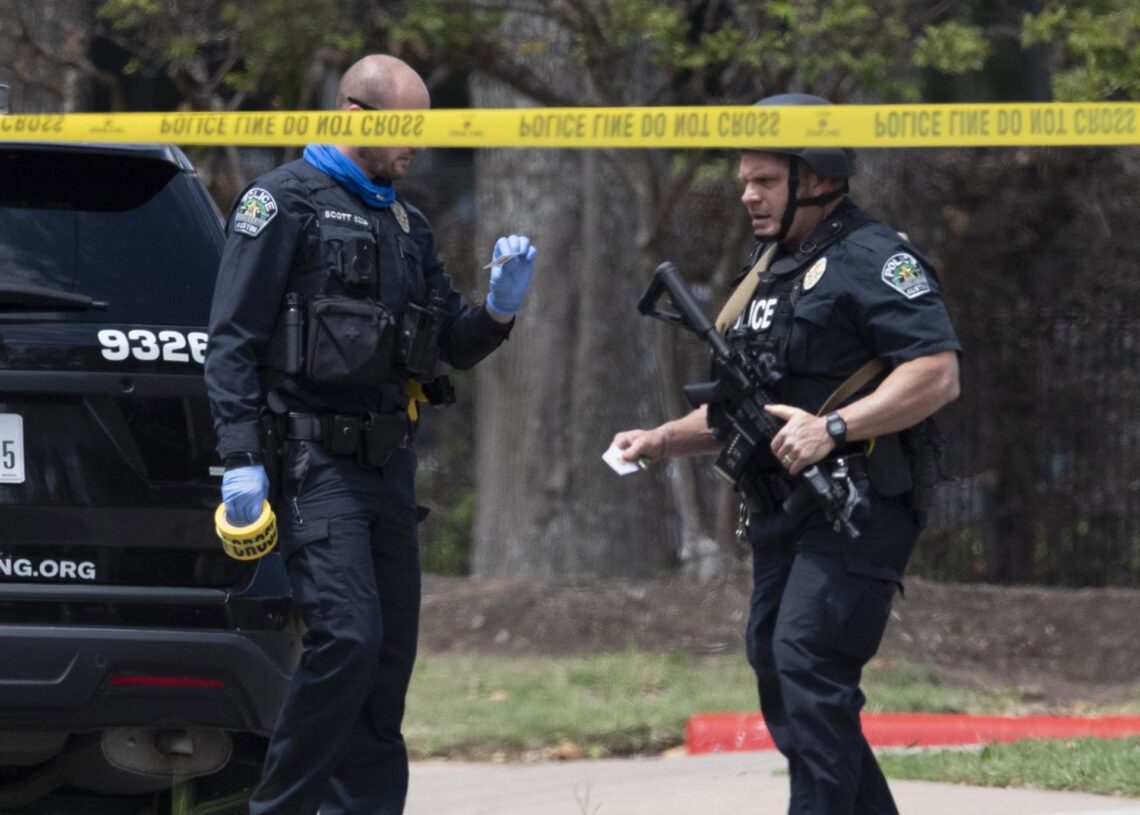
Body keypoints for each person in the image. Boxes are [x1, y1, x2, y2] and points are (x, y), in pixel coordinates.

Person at [204, 54, 537, 815]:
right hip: (314, 465)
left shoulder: (405, 223)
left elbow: (449, 342)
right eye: (402, 128)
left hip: (389, 471)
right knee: (345, 641)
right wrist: (240, 460)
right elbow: (231, 342)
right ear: (357, 117)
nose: (414, 144)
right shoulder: (280, 204)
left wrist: (499, 310)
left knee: (385, 667)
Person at [612, 93, 960, 814]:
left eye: (765, 180)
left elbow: (936, 372)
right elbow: (746, 406)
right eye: (746, 179)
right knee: (780, 673)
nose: (748, 194)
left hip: (858, 503)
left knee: (808, 669)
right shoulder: (764, 273)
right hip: (781, 511)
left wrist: (834, 428)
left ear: (817, 176)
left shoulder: (874, 258)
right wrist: (660, 438)